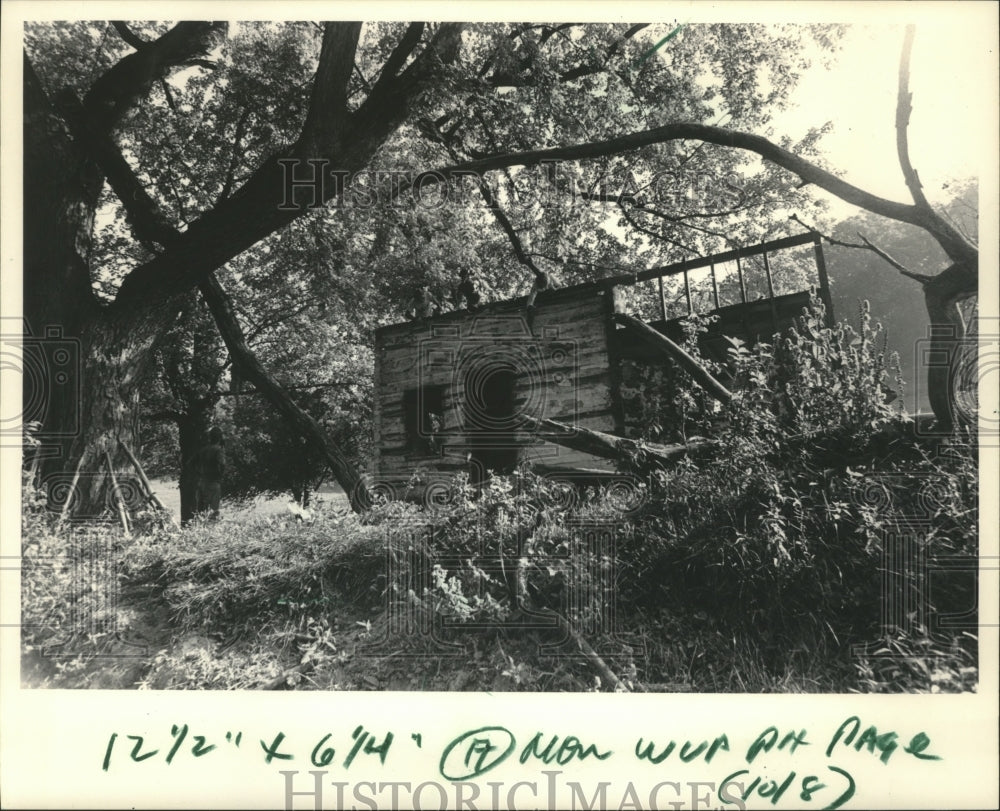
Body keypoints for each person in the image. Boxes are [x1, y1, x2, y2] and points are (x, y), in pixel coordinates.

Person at [193, 426, 225, 520]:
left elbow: (190, 463)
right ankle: (211, 532)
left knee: (201, 512)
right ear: (219, 437)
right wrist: (220, 476)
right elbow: (222, 464)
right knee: (213, 512)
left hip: (201, 483)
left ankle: (201, 531)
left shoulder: (203, 450)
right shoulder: (218, 450)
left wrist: (198, 473)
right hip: (213, 483)